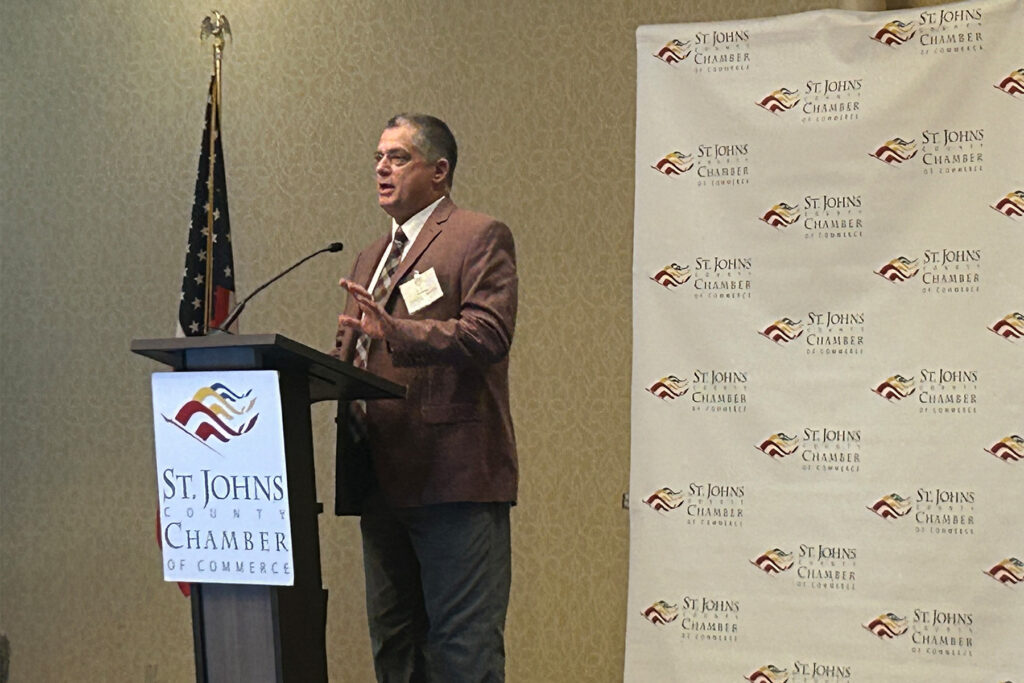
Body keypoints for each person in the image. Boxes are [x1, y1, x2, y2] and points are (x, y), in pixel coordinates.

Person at [331, 113, 518, 682]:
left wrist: (397, 333)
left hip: (452, 478)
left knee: (462, 651)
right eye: (378, 157)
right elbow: (360, 347)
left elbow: (488, 334)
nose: (381, 168)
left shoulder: (478, 237)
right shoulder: (370, 256)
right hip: (380, 475)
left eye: (398, 157)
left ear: (439, 172)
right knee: (395, 645)